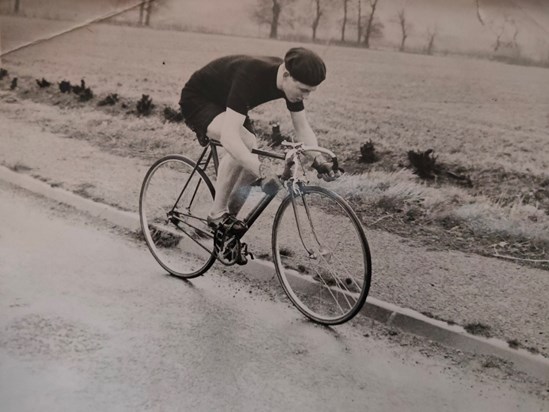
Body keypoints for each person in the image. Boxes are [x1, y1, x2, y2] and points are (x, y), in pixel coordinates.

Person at [179, 47, 340, 234]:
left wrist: (318, 160)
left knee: (250, 161)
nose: (306, 97)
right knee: (245, 144)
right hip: (199, 99)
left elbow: (302, 128)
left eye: (310, 92)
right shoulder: (251, 75)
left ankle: (226, 229)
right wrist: (263, 171)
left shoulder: (289, 81)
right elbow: (230, 138)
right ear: (286, 75)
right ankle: (216, 215)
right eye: (303, 90)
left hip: (229, 102)